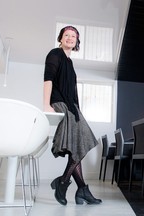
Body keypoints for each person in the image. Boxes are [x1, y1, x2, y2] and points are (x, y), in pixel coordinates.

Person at [43, 26, 101, 206]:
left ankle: (81, 190)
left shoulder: (69, 62)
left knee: (78, 146)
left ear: (77, 41)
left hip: (73, 107)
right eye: (66, 35)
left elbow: (73, 91)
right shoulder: (55, 53)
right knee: (80, 145)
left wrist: (78, 111)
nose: (70, 38)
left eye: (73, 36)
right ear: (60, 38)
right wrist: (46, 104)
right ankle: (64, 184)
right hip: (60, 103)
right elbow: (48, 78)